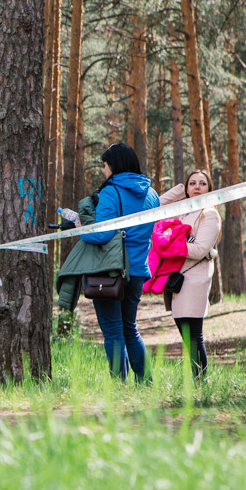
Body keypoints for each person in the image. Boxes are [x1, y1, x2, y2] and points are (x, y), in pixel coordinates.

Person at [81, 142, 160, 381]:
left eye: (105, 165)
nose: (104, 171)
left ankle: (118, 386)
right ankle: (145, 382)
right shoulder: (152, 194)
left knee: (113, 332)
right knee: (130, 328)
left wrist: (81, 229)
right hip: (137, 271)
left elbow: (102, 234)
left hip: (110, 271)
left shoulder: (111, 192)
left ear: (113, 165)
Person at [159, 169, 221, 378]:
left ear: (209, 188)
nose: (196, 187)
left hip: (195, 278)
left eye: (202, 183)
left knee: (194, 335)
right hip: (176, 278)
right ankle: (195, 380)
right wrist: (178, 192)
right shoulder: (181, 211)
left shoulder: (209, 214)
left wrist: (170, 245)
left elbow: (200, 249)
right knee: (186, 335)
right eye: (192, 183)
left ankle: (200, 382)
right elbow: (155, 208)